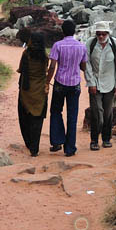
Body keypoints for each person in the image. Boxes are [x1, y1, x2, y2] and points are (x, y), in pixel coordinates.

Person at [46, 20, 87, 156]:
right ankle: (70, 148)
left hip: (60, 83)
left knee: (56, 111)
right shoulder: (82, 47)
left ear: (62, 31)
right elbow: (83, 66)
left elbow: (52, 66)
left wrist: (47, 82)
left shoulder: (58, 45)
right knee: (72, 115)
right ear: (74, 31)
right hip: (74, 84)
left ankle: (57, 141)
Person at [86, 21, 116, 150]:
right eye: (99, 34)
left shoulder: (115, 44)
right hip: (94, 84)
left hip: (110, 84)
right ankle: (94, 140)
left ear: (107, 34)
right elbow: (87, 64)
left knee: (108, 113)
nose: (101, 37)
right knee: (97, 113)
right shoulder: (90, 44)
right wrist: (91, 82)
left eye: (103, 34)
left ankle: (106, 138)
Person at [16, 32, 49, 156]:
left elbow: (20, 69)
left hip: (26, 90)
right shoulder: (45, 56)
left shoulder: (26, 54)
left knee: (25, 117)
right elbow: (46, 69)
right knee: (37, 119)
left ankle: (29, 143)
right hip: (40, 91)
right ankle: (35, 148)